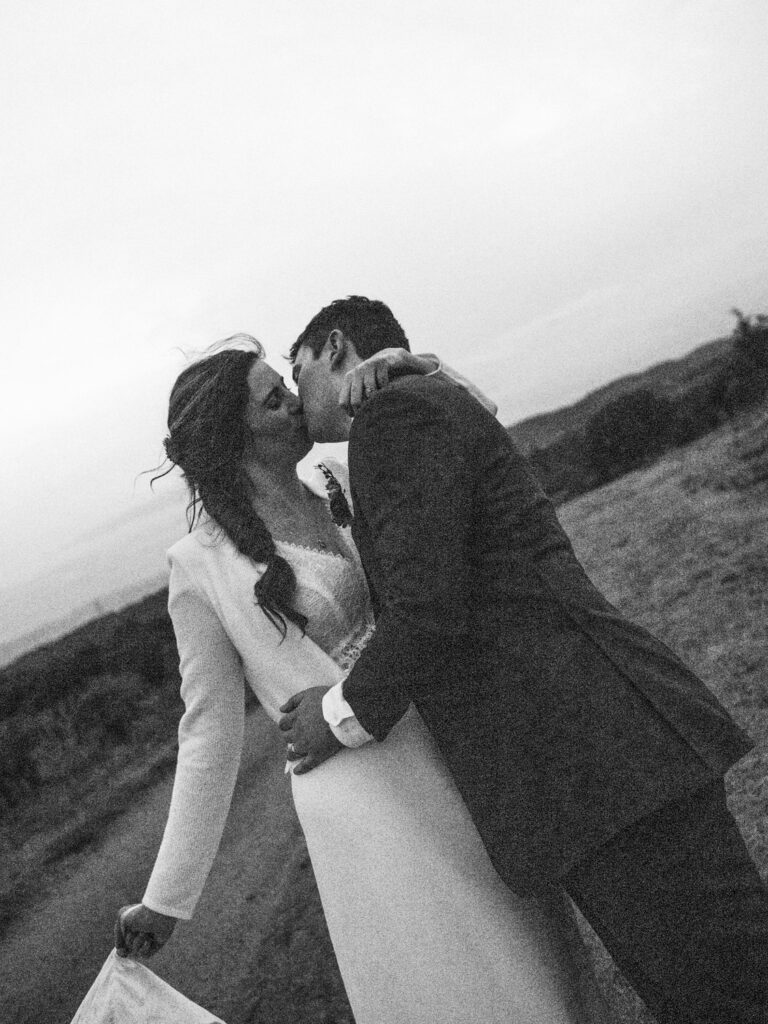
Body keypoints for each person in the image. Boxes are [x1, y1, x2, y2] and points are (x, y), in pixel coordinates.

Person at [282, 295, 768, 1024]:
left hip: (595, 761)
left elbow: (427, 609)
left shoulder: (394, 417)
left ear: (339, 346)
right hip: (604, 758)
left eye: (299, 374)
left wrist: (340, 715)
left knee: (727, 991)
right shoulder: (425, 401)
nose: (297, 399)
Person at [114, 335, 607, 1024]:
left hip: (454, 746)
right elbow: (208, 732)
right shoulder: (199, 567)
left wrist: (415, 372)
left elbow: (477, 444)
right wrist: (166, 899)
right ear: (236, 433)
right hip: (368, 803)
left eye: (287, 386)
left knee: (538, 956)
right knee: (462, 979)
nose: (295, 402)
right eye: (274, 398)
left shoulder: (345, 479)